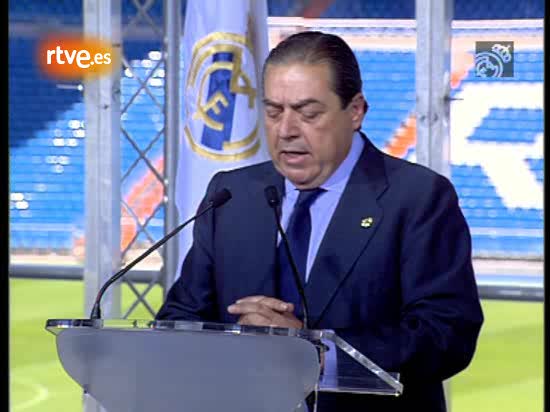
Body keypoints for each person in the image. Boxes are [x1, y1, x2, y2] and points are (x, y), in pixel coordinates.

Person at [156, 31, 484, 412]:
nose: (286, 130)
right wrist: (237, 341)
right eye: (274, 112)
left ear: (355, 111)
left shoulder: (417, 198)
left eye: (308, 113)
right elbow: (179, 320)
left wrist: (315, 353)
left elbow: (446, 336)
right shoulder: (231, 195)